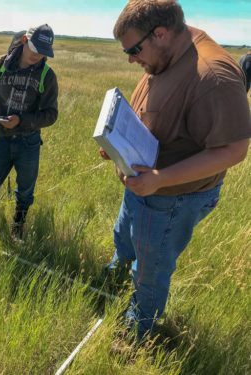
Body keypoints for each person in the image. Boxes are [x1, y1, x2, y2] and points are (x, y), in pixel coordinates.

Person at [101, 0, 251, 341]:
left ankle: (135, 335)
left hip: (171, 200)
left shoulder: (214, 76)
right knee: (124, 238)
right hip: (143, 188)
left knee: (150, 272)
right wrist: (118, 142)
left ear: (161, 33)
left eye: (134, 49)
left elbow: (234, 150)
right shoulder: (167, 54)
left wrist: (160, 179)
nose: (130, 59)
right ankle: (114, 276)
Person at [0, 24, 59, 241]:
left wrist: (21, 121)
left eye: (44, 52)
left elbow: (50, 115)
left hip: (28, 143)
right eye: (35, 48)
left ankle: (17, 228)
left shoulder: (47, 76)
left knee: (26, 191)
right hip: (0, 140)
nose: (38, 56)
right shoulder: (1, 64)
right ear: (25, 42)